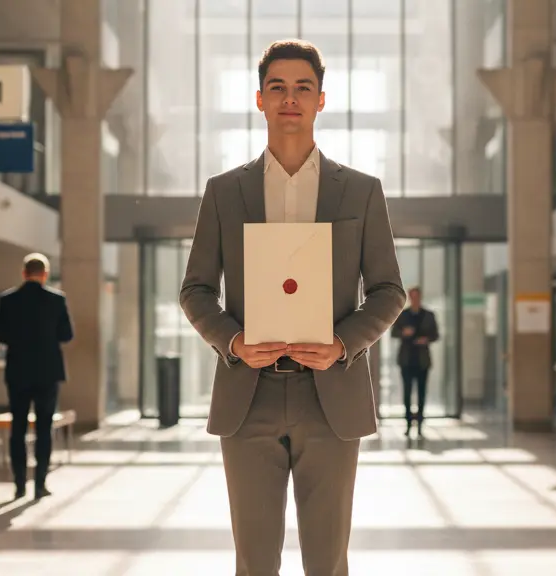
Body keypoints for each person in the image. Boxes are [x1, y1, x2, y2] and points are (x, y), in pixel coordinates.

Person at [180, 39, 404, 575]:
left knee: (327, 561)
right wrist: (232, 341)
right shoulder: (224, 191)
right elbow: (195, 290)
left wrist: (343, 344)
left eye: (303, 87)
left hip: (330, 393)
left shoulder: (362, 192)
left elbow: (388, 290)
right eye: (277, 87)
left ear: (321, 100)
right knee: (254, 562)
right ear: (259, 99)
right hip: (248, 393)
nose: (290, 98)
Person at [0, 253, 74, 500]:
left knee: (17, 427)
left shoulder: (8, 300)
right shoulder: (56, 300)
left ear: (24, 273)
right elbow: (67, 335)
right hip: (48, 372)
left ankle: (19, 484)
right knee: (44, 427)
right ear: (45, 274)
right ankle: (40, 483)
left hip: (18, 371)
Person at [391, 287, 439, 437]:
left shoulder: (429, 315)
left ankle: (420, 424)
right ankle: (408, 423)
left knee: (422, 393)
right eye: (412, 296)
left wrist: (426, 339)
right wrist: (404, 333)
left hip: (422, 359)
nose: (415, 299)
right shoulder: (403, 315)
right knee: (407, 393)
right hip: (406, 359)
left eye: (417, 296)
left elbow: (435, 335)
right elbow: (394, 332)